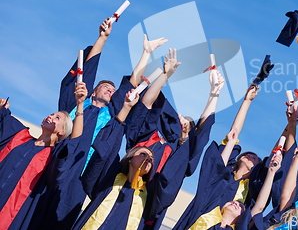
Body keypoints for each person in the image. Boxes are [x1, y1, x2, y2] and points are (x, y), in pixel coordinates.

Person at [38, 20, 167, 230]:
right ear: (93, 91)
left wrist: (146, 54)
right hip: (52, 164)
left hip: (79, 177)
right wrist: (103, 38)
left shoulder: (112, 115)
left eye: (113, 90)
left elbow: (132, 86)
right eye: (106, 87)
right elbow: (86, 70)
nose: (110, 90)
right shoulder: (75, 103)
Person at [123, 49, 227, 230]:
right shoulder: (147, 137)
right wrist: (165, 75)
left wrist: (214, 93)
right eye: (180, 119)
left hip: (147, 209)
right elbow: (146, 104)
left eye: (187, 123)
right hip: (119, 189)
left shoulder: (182, 155)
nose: (182, 123)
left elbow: (203, 129)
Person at [172, 86, 262, 230]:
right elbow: (233, 134)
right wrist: (246, 101)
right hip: (197, 218)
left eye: (255, 159)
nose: (250, 156)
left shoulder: (249, 192)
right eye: (248, 154)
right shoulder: (223, 174)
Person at [0, 82, 86, 230]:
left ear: (61, 132)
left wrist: (80, 105)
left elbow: (75, 142)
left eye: (57, 118)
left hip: (12, 213)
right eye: (52, 114)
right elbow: (3, 119)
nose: (51, 116)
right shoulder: (20, 137)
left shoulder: (53, 158)